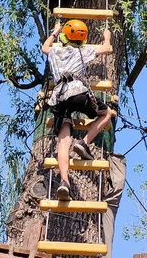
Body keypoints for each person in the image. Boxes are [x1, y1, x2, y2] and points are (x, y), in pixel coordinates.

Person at [42, 19, 112, 200]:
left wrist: (55, 32)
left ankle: (64, 182)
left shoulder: (55, 50)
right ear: (82, 39)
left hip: (59, 98)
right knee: (107, 113)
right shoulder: (84, 51)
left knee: (63, 141)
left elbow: (44, 48)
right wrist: (107, 37)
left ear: (65, 36)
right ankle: (83, 142)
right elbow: (106, 49)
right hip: (78, 94)